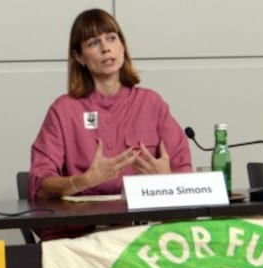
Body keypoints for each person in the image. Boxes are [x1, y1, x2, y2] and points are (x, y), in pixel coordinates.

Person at [29, 8, 192, 240]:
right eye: (93, 43)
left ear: (122, 47)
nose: (106, 48)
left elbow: (185, 172)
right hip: (81, 235)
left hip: (142, 233)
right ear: (79, 57)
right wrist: (84, 180)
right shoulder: (64, 109)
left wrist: (167, 177)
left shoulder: (151, 103)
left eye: (111, 38)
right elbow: (40, 184)